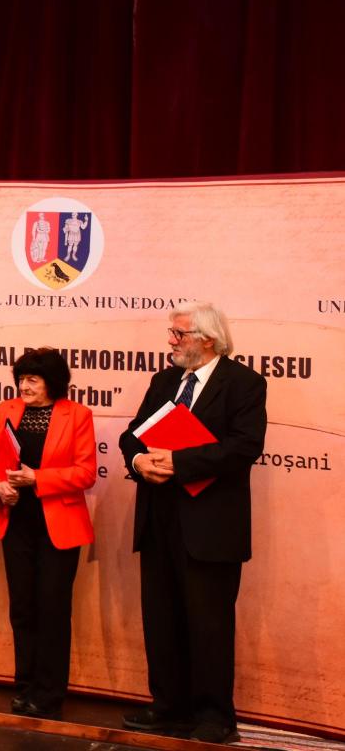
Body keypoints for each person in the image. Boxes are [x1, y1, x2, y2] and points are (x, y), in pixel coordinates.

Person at [118, 302, 266, 745]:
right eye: (172, 333)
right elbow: (132, 435)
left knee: (209, 624)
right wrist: (139, 460)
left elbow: (245, 447)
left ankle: (215, 716)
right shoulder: (165, 381)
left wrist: (179, 463)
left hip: (210, 527)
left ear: (208, 338)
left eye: (179, 334)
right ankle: (168, 707)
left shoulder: (243, 383)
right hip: (159, 520)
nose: (171, 341)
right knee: (161, 619)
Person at [0, 348, 96, 718]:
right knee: (23, 608)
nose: (24, 386)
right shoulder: (7, 410)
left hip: (59, 526)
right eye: (21, 379)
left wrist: (37, 478)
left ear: (52, 382)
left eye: (33, 380)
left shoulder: (77, 415)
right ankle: (25, 686)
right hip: (16, 522)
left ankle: (49, 694)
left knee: (53, 610)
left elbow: (85, 473)